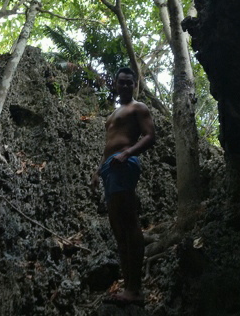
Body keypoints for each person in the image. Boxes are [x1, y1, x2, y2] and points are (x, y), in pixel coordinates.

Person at [91, 66, 156, 307]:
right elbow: (108, 146)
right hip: (110, 167)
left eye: (131, 82)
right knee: (118, 229)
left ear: (134, 85)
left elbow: (151, 136)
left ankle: (135, 289)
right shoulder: (112, 115)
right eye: (123, 82)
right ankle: (129, 286)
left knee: (128, 223)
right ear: (116, 85)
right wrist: (98, 171)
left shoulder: (138, 108)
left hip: (124, 164)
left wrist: (127, 153)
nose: (127, 86)